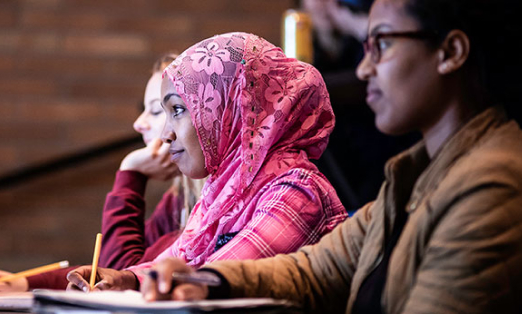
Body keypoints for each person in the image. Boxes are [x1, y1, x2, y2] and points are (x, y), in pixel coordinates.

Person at [142, 0, 522, 313]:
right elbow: (316, 269)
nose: (363, 68)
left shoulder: (489, 185)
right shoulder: (415, 175)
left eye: (383, 44)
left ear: (451, 52)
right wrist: (207, 281)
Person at [66, 32, 348, 292]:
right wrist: (125, 279)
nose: (166, 134)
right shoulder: (222, 191)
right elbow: (176, 260)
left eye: (177, 110)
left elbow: (212, 281)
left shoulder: (298, 193)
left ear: (230, 110)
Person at [0, 54, 205, 294]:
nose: (138, 123)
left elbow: (122, 278)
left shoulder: (213, 204)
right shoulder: (178, 200)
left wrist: (131, 173)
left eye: (158, 111)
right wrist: (25, 282)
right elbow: (114, 274)